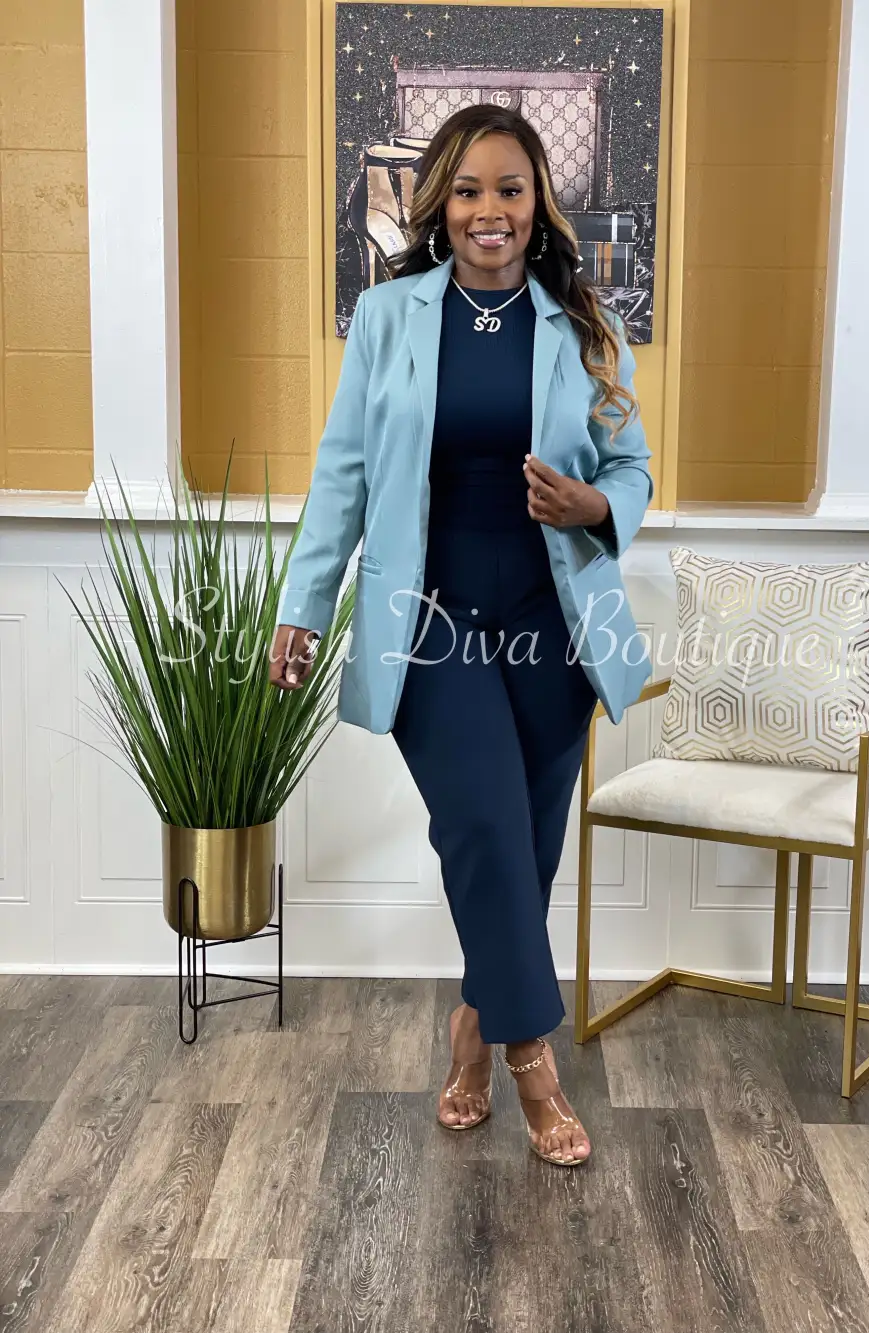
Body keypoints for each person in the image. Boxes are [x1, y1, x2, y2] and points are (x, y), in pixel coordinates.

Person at [269, 105, 653, 1166]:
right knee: (481, 825)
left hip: (553, 630)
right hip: (429, 624)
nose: (491, 209)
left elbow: (633, 468)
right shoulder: (388, 316)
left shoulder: (582, 325)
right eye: (471, 190)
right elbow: (343, 472)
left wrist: (594, 504)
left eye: (511, 190)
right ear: (441, 204)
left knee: (524, 853)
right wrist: (304, 604)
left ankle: (473, 1029)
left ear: (538, 206)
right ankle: (533, 1062)